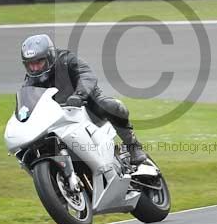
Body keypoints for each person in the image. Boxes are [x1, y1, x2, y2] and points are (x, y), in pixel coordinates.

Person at [20, 34, 148, 165]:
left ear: (50, 57)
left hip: (85, 104)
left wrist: (79, 95)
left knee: (111, 106)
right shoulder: (30, 80)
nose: (35, 68)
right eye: (31, 64)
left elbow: (86, 75)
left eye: (38, 62)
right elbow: (27, 101)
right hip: (59, 117)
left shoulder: (66, 59)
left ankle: (134, 147)